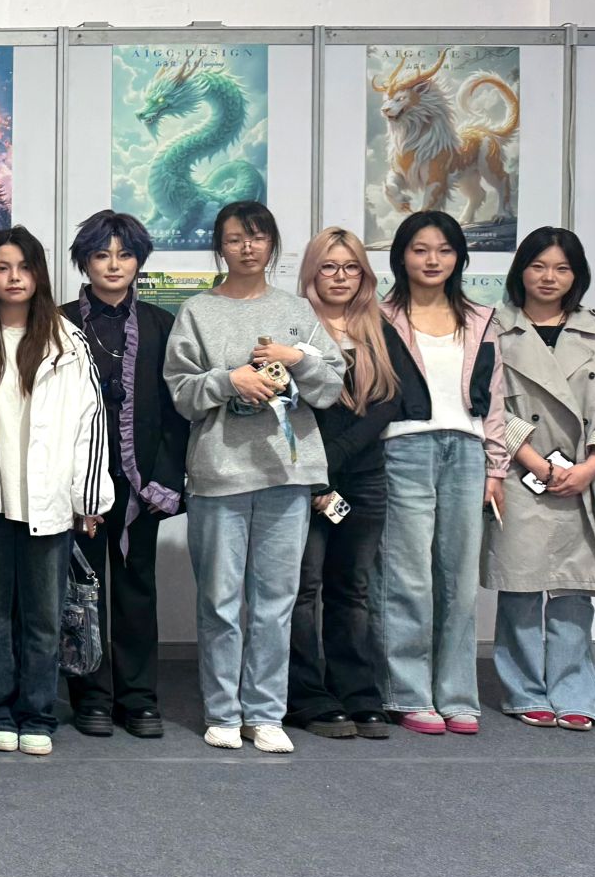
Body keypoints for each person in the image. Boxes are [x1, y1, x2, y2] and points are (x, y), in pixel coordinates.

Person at [165, 202, 346, 754]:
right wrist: (229, 380)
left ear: (272, 244)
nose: (247, 247)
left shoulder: (297, 311)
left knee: (275, 601)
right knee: (220, 602)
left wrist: (298, 359)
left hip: (287, 475)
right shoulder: (197, 311)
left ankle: (265, 713)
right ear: (220, 247)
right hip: (219, 474)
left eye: (258, 236)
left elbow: (330, 389)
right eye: (235, 238)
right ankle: (223, 712)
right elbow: (181, 394)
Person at [0, 226, 107, 757]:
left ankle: (38, 714)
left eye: (24, 267)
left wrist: (87, 499)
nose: (14, 277)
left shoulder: (67, 343)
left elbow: (90, 423)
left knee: (43, 620)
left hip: (48, 504)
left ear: (39, 275)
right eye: (3, 267)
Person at [376, 211, 507, 736]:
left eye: (445, 250)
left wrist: (496, 467)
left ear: (459, 257)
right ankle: (407, 693)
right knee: (407, 577)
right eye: (420, 249)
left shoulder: (481, 318)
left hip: (467, 452)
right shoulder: (380, 316)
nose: (433, 260)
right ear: (401, 256)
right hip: (403, 449)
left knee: (458, 581)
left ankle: (456, 695)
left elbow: (496, 398)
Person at [60, 210, 190, 740]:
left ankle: (138, 699)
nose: (113, 265)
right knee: (81, 591)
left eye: (125, 254)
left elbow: (179, 412)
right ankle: (90, 696)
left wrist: (165, 481)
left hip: (141, 484)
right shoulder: (59, 323)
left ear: (139, 261)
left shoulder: (162, 325)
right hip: (78, 484)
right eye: (101, 255)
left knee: (137, 590)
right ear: (85, 262)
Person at [287, 226, 417, 741]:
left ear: (363, 275)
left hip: (363, 479)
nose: (340, 277)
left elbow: (390, 401)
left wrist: (337, 457)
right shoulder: (294, 325)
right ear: (311, 272)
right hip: (305, 480)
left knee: (352, 589)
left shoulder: (377, 327)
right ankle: (306, 696)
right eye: (328, 266)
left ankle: (358, 694)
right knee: (302, 590)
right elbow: (289, 405)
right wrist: (319, 469)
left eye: (350, 267)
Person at [487, 226, 595, 732]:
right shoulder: (495, 327)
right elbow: (488, 402)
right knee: (520, 585)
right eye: (538, 266)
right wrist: (536, 461)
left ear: (576, 275)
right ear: (521, 271)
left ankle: (575, 691)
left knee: (573, 589)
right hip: (521, 469)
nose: (549, 277)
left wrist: (592, 464)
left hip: (585, 474)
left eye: (562, 268)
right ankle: (523, 690)